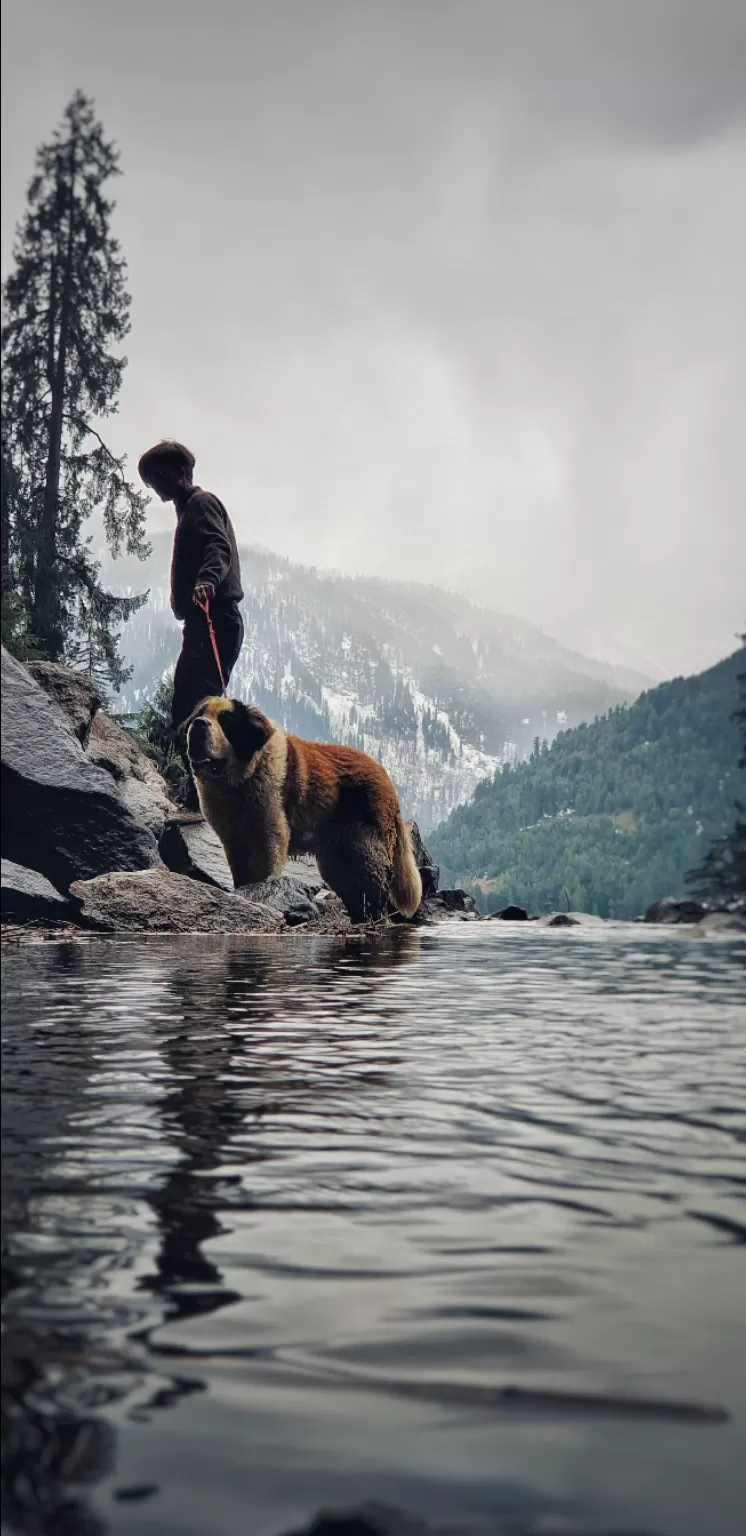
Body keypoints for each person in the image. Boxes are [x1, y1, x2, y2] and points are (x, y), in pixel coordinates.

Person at [138, 440, 244, 808]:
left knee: (201, 709)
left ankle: (214, 795)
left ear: (182, 472)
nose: (156, 486)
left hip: (216, 618)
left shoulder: (201, 504)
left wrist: (207, 581)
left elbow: (219, 547)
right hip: (203, 623)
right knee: (189, 706)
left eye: (158, 477)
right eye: (151, 481)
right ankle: (204, 791)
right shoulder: (188, 509)